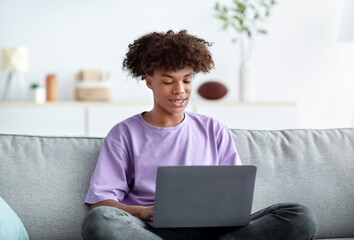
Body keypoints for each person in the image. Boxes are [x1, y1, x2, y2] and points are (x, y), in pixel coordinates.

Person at [81, 30, 318, 240]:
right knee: (100, 221)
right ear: (150, 81)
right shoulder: (124, 134)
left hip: (216, 230)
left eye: (187, 80)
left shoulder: (213, 129)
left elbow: (235, 195)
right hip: (150, 229)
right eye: (168, 81)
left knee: (300, 216)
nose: (180, 90)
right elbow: (100, 204)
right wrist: (146, 211)